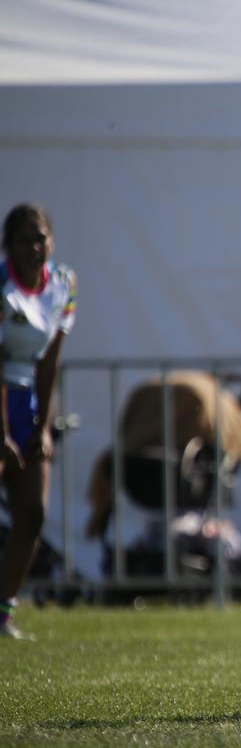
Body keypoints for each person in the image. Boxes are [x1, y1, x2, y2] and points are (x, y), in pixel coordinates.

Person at [0, 203, 77, 640]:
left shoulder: (64, 283)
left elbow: (50, 362)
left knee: (32, 514)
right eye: (25, 238)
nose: (34, 246)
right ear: (8, 244)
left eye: (41, 237)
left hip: (28, 402)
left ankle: (3, 611)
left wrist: (42, 425)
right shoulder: (2, 283)